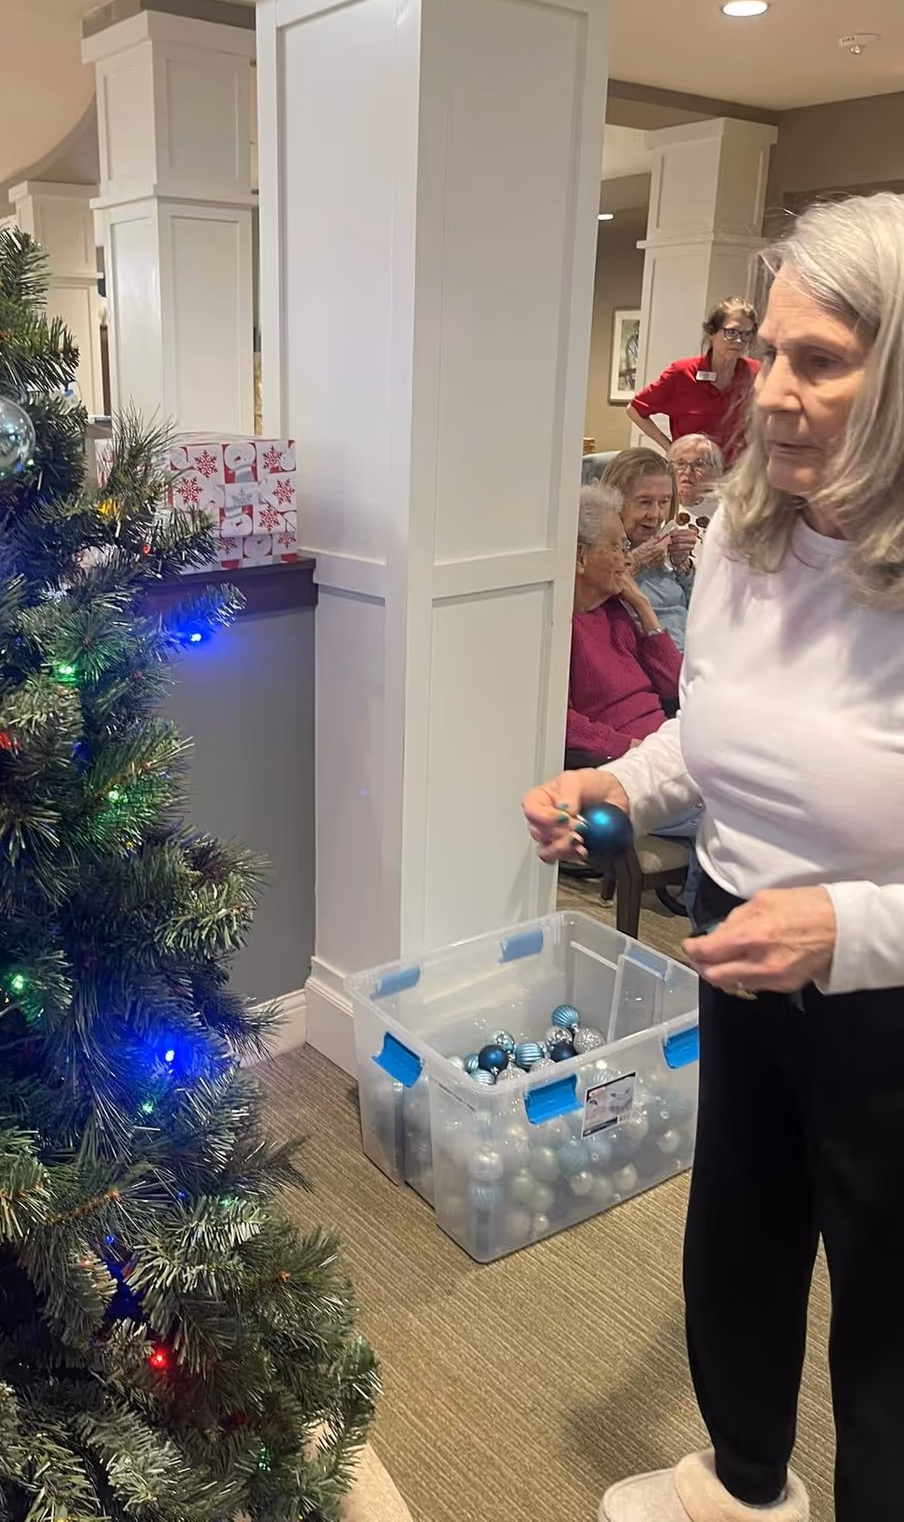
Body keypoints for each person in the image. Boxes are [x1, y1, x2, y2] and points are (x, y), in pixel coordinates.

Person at [524, 193, 904, 1522]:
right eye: (773, 358)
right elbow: (706, 739)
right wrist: (611, 781)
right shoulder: (750, 535)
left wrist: (843, 931)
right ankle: (745, 1478)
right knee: (741, 1225)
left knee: (888, 1310)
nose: (780, 395)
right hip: (740, 937)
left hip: (885, 996)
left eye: (825, 361)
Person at [566, 484, 681, 762]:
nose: (627, 558)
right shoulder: (559, 628)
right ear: (581, 557)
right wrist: (634, 750)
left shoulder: (614, 609)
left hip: (665, 741)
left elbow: (675, 686)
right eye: (617, 547)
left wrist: (642, 606)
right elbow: (562, 723)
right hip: (625, 762)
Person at [628, 298, 760, 469]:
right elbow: (635, 410)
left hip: (736, 478)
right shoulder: (683, 373)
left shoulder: (755, 373)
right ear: (712, 332)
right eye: (731, 332)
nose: (739, 341)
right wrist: (671, 449)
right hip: (692, 476)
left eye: (746, 334)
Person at [600, 447, 698, 650]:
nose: (656, 514)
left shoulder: (660, 543)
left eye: (664, 502)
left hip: (691, 654)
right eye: (645, 502)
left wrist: (682, 565)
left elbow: (698, 609)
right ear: (615, 500)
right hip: (649, 664)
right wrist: (635, 562)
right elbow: (589, 605)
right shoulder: (597, 548)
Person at [668, 432, 724, 536]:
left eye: (698, 464)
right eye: (681, 463)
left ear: (715, 471)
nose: (688, 471)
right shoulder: (657, 506)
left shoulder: (724, 513)